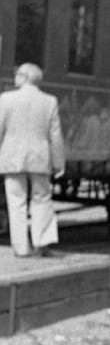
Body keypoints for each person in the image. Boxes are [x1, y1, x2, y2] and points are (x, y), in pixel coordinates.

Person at [0, 63, 65, 258]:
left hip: (13, 158)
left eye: (18, 74)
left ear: (23, 77)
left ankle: (21, 248)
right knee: (42, 199)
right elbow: (55, 136)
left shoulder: (6, 99)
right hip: (40, 158)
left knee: (16, 201)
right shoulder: (49, 101)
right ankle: (42, 243)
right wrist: (59, 162)